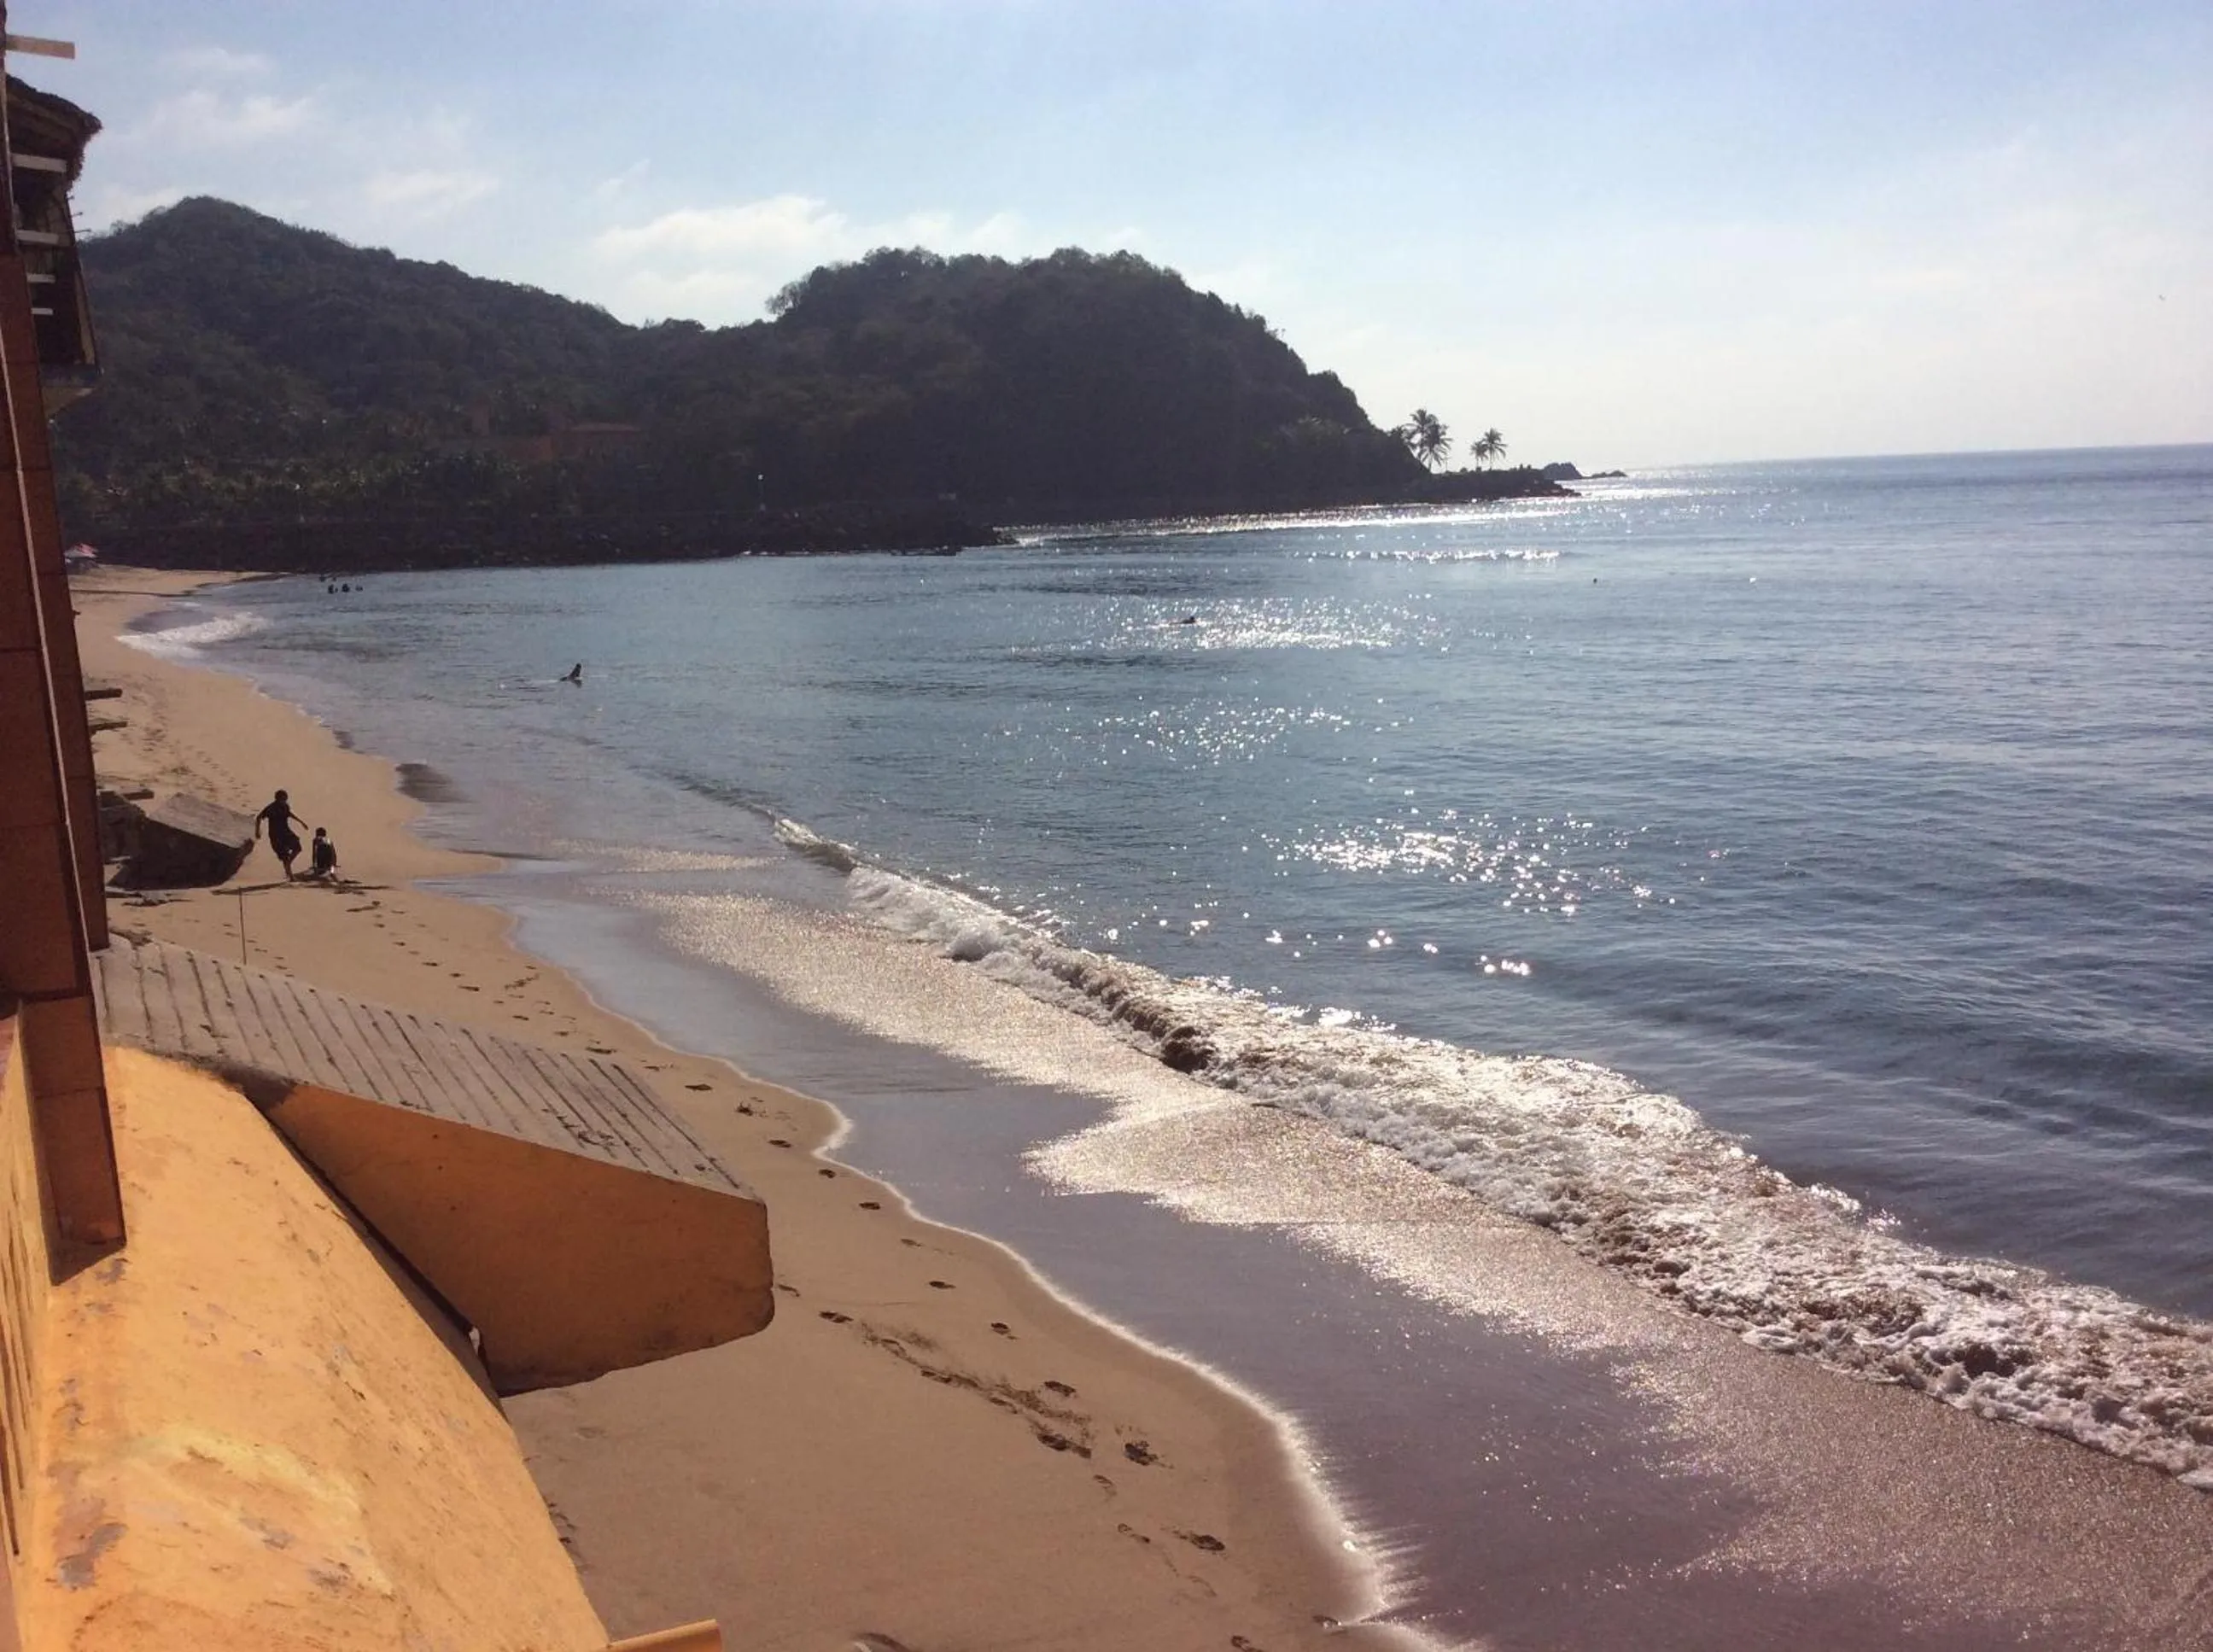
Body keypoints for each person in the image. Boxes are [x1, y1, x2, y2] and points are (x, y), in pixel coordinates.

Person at [254, 789, 306, 879]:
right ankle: (290, 876)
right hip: (276, 835)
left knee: (297, 848)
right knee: (284, 855)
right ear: (278, 798)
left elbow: (289, 814)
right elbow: (259, 817)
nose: (285, 800)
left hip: (286, 832)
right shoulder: (271, 808)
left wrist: (301, 822)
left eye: (285, 798)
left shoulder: (285, 806)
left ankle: (288, 865)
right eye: (284, 798)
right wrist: (257, 831)